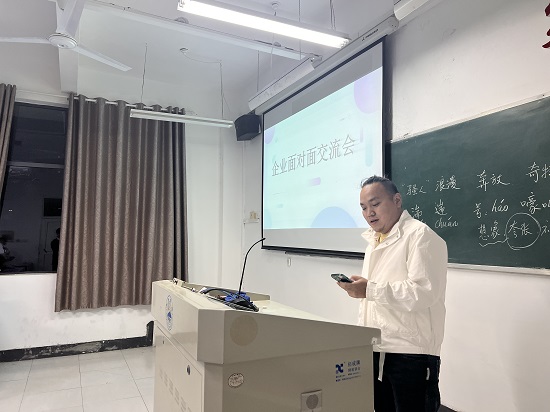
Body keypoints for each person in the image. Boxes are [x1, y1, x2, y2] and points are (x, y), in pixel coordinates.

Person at [337, 175, 447, 412]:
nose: (369, 213)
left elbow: (423, 292)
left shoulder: (421, 236)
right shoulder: (374, 241)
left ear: (397, 200)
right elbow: (375, 295)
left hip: (411, 354)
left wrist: (369, 289)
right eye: (363, 208)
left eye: (375, 204)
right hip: (378, 348)